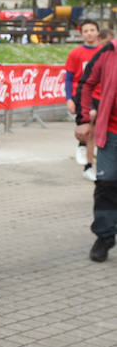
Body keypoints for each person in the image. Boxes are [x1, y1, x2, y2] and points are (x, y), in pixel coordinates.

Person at [74, 37, 117, 261]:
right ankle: (105, 235)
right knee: (107, 182)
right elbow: (86, 83)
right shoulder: (109, 51)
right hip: (111, 132)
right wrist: (82, 119)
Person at [66, 19, 101, 180]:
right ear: (81, 34)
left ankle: (95, 162)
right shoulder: (75, 53)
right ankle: (87, 164)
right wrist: (69, 99)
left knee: (98, 132)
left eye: (92, 30)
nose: (89, 33)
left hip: (101, 95)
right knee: (88, 129)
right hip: (81, 95)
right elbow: (69, 78)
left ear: (98, 32)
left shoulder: (104, 52)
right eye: (86, 31)